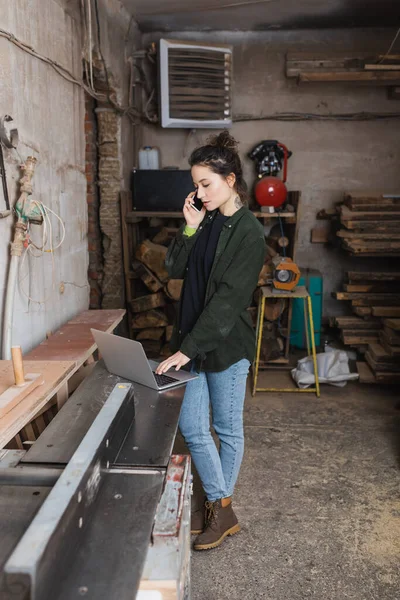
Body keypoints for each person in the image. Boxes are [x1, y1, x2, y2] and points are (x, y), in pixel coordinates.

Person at [156, 130, 266, 551]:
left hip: (224, 346)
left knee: (226, 428)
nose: (199, 192)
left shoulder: (249, 234)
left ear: (231, 180)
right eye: (196, 184)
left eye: (206, 183)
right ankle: (224, 503)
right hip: (192, 342)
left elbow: (225, 304)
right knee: (191, 427)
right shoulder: (207, 220)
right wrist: (190, 228)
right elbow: (173, 270)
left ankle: (218, 510)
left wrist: (184, 350)